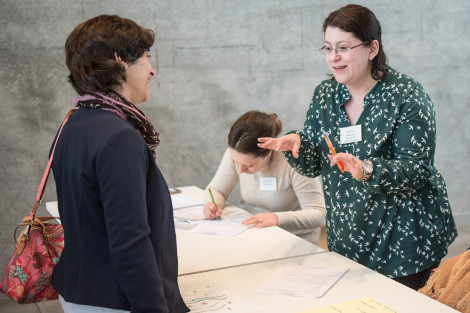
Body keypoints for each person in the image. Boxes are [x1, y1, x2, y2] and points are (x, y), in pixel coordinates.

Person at [258, 4, 457, 290]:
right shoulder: (325, 95)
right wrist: (296, 145)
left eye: (343, 47)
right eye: (327, 48)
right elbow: (315, 163)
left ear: (372, 48)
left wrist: (365, 169)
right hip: (347, 237)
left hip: (402, 242)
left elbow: (417, 171)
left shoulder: (406, 95)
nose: (333, 58)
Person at [51, 15, 189, 312]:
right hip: (114, 299)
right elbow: (130, 242)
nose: (152, 70)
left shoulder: (74, 123)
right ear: (120, 60)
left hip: (83, 290)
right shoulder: (118, 137)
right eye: (146, 58)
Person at [203, 110, 326, 245]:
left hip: (296, 240)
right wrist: (212, 204)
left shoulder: (294, 160)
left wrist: (276, 218)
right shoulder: (238, 155)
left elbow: (320, 214)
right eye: (235, 163)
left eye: (248, 166)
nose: (240, 170)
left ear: (268, 151)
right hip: (257, 234)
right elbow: (216, 190)